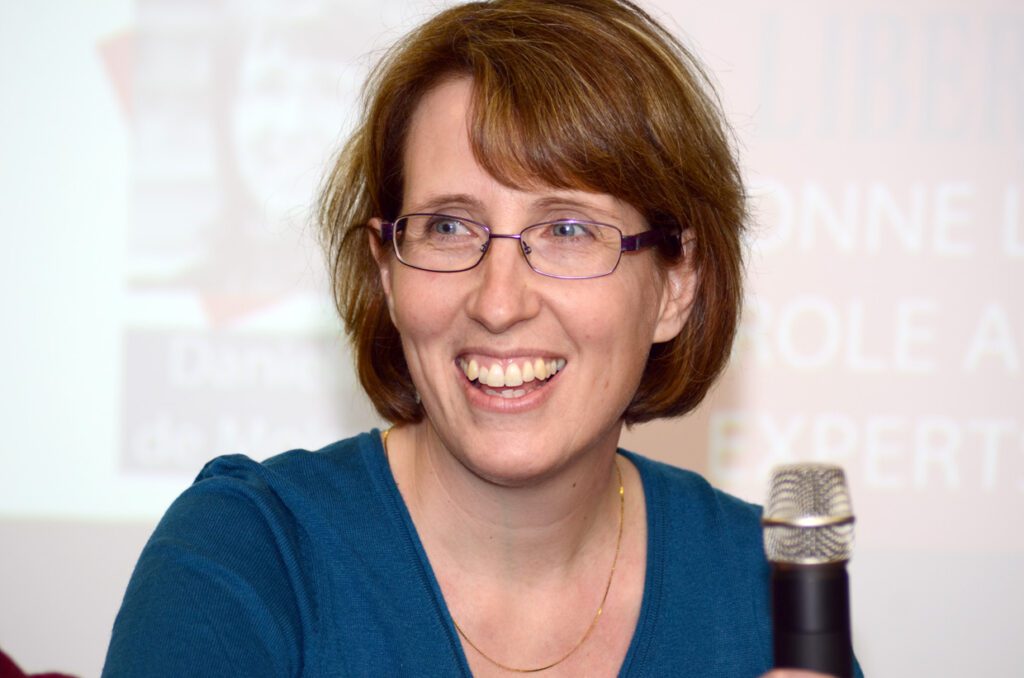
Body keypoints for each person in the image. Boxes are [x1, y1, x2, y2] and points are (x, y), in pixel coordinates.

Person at [104, 1, 861, 676]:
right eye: (448, 227)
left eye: (568, 230)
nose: (499, 303)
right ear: (386, 270)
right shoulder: (245, 560)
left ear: (675, 286)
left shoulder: (767, 590)